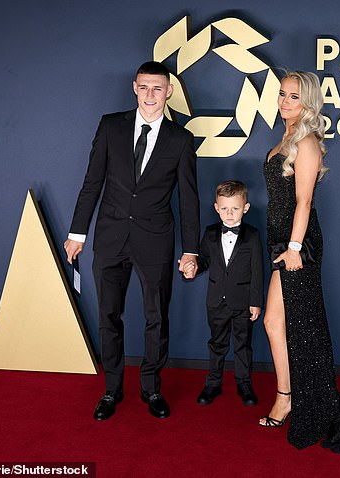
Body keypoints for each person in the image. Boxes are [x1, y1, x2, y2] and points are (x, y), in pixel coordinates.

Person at [64, 61, 200, 421]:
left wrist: (190, 250)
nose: (150, 95)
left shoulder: (181, 140)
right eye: (144, 87)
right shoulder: (111, 126)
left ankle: (151, 388)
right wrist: (77, 233)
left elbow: (189, 198)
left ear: (169, 91)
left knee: (157, 318)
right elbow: (92, 182)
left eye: (158, 88)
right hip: (110, 237)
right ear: (134, 88)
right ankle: (111, 389)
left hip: (155, 239)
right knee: (109, 315)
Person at [260, 71, 340, 452]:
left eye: (293, 97)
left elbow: (304, 201)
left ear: (308, 102)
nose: (284, 102)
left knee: (299, 325)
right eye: (281, 95)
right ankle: (289, 395)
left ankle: (290, 398)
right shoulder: (286, 137)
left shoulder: (307, 143)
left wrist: (296, 247)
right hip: (283, 241)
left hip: (299, 245)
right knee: (275, 321)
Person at [182, 180, 263, 407]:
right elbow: (205, 261)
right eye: (224, 208)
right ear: (216, 207)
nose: (229, 213)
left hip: (243, 302)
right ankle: (213, 383)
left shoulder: (253, 236)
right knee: (217, 343)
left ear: (245, 208)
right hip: (216, 300)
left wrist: (256, 302)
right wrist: (193, 267)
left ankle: (244, 384)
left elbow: (258, 271)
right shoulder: (209, 234)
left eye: (235, 208)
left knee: (243, 345)